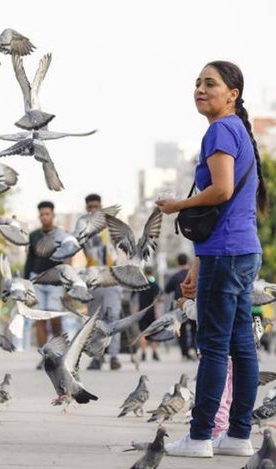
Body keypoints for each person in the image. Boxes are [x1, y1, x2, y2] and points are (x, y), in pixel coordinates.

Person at [157, 60, 266, 459]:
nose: (200, 90)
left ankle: (200, 435)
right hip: (240, 252)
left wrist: (175, 205)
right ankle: (238, 436)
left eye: (210, 84)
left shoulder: (221, 129)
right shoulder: (236, 130)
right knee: (242, 346)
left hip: (226, 255)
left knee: (214, 346)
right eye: (197, 83)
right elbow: (230, 210)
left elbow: (220, 192)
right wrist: (197, 265)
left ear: (232, 95)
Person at [82, 193, 124, 371]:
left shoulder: (111, 225)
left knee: (113, 317)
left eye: (96, 207)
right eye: (90, 207)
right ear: (86, 208)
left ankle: (114, 356)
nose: (93, 210)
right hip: (93, 279)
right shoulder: (83, 228)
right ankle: (97, 358)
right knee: (94, 320)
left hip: (112, 277)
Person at [23, 201, 65, 370]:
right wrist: (26, 284)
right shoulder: (33, 236)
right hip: (37, 280)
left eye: (47, 214)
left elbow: (66, 259)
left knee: (55, 319)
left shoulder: (61, 235)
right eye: (42, 214)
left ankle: (60, 354)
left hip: (55, 280)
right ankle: (45, 357)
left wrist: (68, 284)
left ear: (53, 215)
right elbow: (29, 260)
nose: (44, 217)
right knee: (40, 320)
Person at [164, 253, 197, 360]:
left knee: (181, 330)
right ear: (187, 261)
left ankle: (184, 353)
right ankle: (195, 349)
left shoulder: (175, 276)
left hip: (180, 306)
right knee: (195, 328)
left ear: (178, 262)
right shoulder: (193, 274)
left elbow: (167, 290)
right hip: (193, 304)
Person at [133, 266, 160, 362]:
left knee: (143, 333)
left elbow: (133, 297)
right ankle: (155, 353)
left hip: (142, 312)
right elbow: (158, 299)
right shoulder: (155, 284)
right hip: (151, 312)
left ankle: (144, 353)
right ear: (152, 272)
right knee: (154, 333)